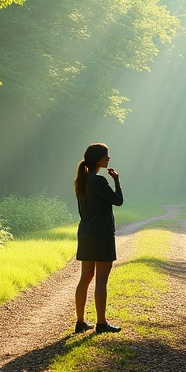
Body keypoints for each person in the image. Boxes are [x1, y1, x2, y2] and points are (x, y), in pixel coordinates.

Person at [73, 142, 123, 334]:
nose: (108, 158)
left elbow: (81, 211)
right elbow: (118, 201)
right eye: (106, 155)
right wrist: (117, 181)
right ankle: (101, 323)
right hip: (102, 234)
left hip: (85, 232)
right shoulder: (99, 181)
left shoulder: (82, 180)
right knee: (101, 279)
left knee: (85, 277)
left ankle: (80, 321)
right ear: (98, 159)